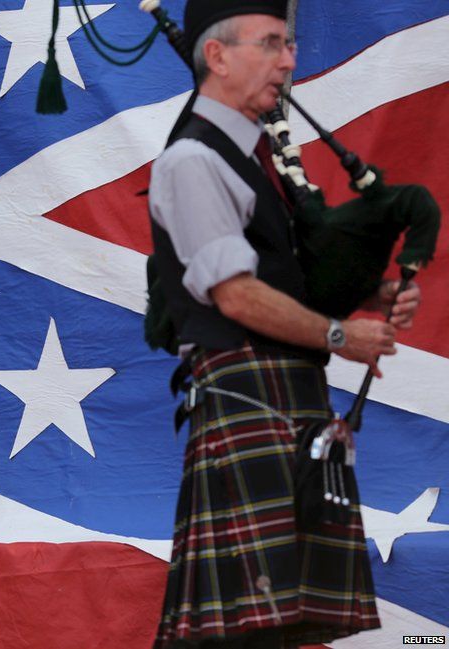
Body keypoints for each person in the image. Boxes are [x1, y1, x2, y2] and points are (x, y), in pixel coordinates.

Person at [148, 1, 421, 647]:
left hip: (287, 399)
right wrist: (340, 336)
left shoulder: (252, 157)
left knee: (275, 625)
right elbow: (237, 296)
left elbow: (278, 276)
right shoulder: (193, 160)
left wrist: (372, 294)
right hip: (248, 394)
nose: (289, 60)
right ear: (216, 56)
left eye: (289, 44)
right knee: (238, 630)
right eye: (271, 43)